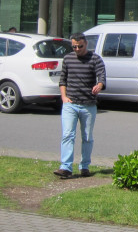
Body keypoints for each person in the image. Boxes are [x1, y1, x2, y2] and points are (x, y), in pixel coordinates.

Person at [53, 33, 106, 179]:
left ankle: (84, 166)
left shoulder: (95, 58)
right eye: (74, 46)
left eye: (80, 46)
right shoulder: (68, 58)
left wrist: (99, 85)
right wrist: (64, 97)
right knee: (67, 135)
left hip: (88, 105)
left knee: (87, 137)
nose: (77, 49)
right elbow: (62, 80)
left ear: (86, 44)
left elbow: (102, 75)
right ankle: (65, 167)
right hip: (70, 104)